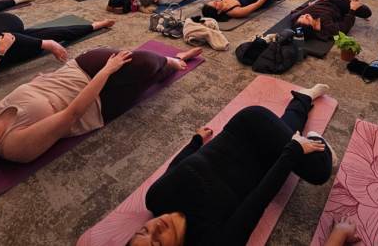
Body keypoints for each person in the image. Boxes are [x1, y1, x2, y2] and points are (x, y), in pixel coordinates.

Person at [0, 46, 204, 186]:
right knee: (146, 65)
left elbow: (32, 87)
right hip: (98, 103)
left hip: (73, 72)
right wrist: (107, 71)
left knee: (135, 59)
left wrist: (46, 77)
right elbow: (73, 113)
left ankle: (165, 62)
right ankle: (173, 60)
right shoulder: (15, 147)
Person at [128, 84, 333, 246]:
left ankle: (302, 110)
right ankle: (305, 106)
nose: (155, 228)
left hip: (248, 125)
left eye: (143, 231)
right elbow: (258, 200)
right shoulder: (212, 241)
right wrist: (293, 151)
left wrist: (196, 141)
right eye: (156, 243)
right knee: (319, 171)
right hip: (264, 163)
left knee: (289, 132)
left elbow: (176, 165)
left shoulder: (156, 198)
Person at [289, 0, 371, 42]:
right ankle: (349, 4)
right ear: (312, 27)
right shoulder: (328, 28)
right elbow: (345, 27)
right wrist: (352, 9)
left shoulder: (294, 19)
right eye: (307, 19)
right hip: (338, 8)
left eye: (302, 16)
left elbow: (295, 11)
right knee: (367, 12)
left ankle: (348, 3)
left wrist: (312, 3)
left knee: (366, 12)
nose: (306, 15)